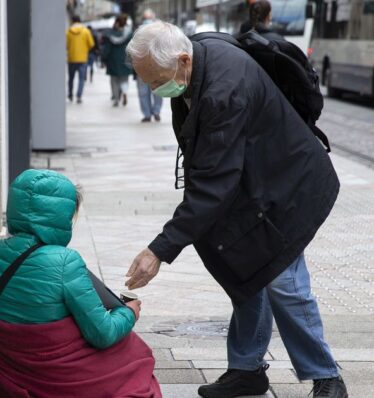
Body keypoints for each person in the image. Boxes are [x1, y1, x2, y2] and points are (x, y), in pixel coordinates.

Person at [124, 22, 347, 398]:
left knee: (284, 280)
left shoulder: (224, 92)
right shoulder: (195, 57)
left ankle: (327, 377)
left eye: (155, 81)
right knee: (248, 270)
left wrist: (160, 250)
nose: (153, 90)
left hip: (288, 185)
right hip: (257, 178)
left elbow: (214, 184)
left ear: (182, 60)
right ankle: (247, 369)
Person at [0, 169, 161, 398]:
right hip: (58, 376)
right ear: (61, 215)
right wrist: (129, 312)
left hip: (17, 370)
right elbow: (103, 333)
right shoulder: (65, 261)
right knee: (135, 353)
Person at [135, 9, 163, 122]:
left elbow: (132, 50)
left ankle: (147, 114)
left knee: (143, 92)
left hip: (142, 66)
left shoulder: (137, 31)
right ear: (153, 18)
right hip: (157, 65)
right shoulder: (160, 31)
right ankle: (156, 111)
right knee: (158, 90)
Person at [102, 14, 133, 107]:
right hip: (125, 59)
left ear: (116, 23)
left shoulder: (110, 34)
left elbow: (106, 49)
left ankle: (116, 99)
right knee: (124, 79)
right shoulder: (129, 34)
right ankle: (124, 92)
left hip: (113, 60)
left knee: (114, 80)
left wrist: (103, 59)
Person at [66, 15, 95, 104]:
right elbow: (91, 44)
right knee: (81, 79)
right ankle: (79, 96)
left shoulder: (68, 32)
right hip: (83, 58)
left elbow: (65, 45)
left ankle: (70, 95)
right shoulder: (86, 31)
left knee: (71, 78)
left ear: (72, 21)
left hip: (71, 58)